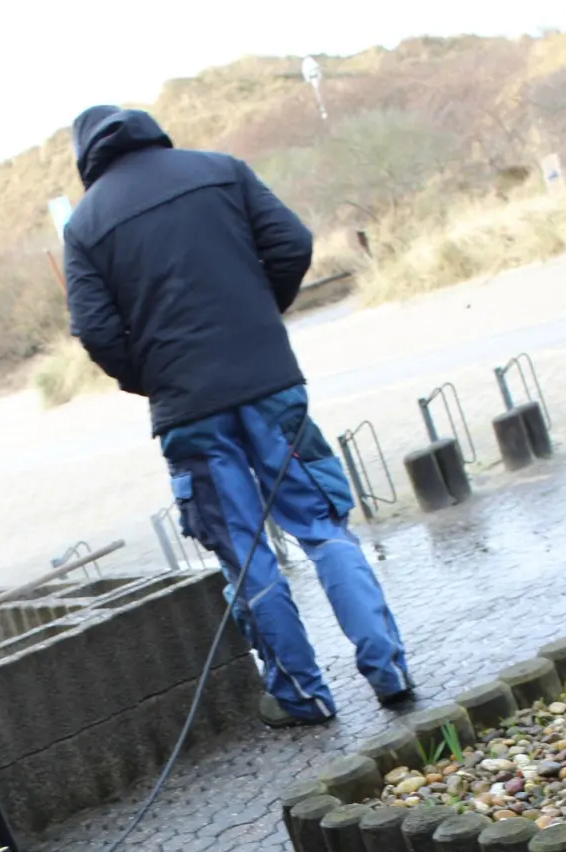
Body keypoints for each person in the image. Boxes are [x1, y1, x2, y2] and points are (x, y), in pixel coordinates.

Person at [63, 105, 412, 727]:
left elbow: (95, 332)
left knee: (247, 555)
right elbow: (292, 245)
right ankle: (389, 671)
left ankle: (302, 697)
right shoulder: (221, 171)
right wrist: (259, 318)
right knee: (322, 525)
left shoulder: (86, 226)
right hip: (270, 387)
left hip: (189, 412)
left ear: (85, 157)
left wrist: (149, 377)